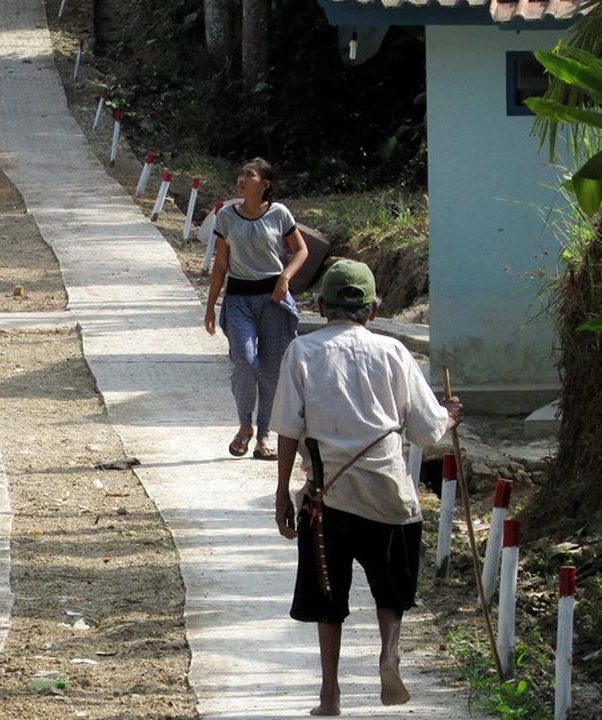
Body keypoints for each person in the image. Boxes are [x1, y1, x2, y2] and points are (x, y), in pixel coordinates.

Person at [269, 259, 462, 716]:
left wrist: (281, 493)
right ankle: (389, 654)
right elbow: (426, 431)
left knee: (328, 600)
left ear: (321, 307)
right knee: (391, 591)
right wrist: (450, 415)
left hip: (327, 499)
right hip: (388, 495)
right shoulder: (394, 352)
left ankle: (329, 694)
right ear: (373, 310)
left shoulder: (301, 352)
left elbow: (288, 430)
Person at [204, 158, 308, 460]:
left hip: (274, 300)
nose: (241, 178)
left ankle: (263, 436)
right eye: (241, 173)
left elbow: (301, 250)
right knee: (245, 362)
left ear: (264, 184)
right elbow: (221, 263)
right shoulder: (226, 216)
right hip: (238, 300)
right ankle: (244, 426)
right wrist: (210, 307)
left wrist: (286, 277)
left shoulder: (279, 213)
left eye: (249, 174)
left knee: (272, 372)